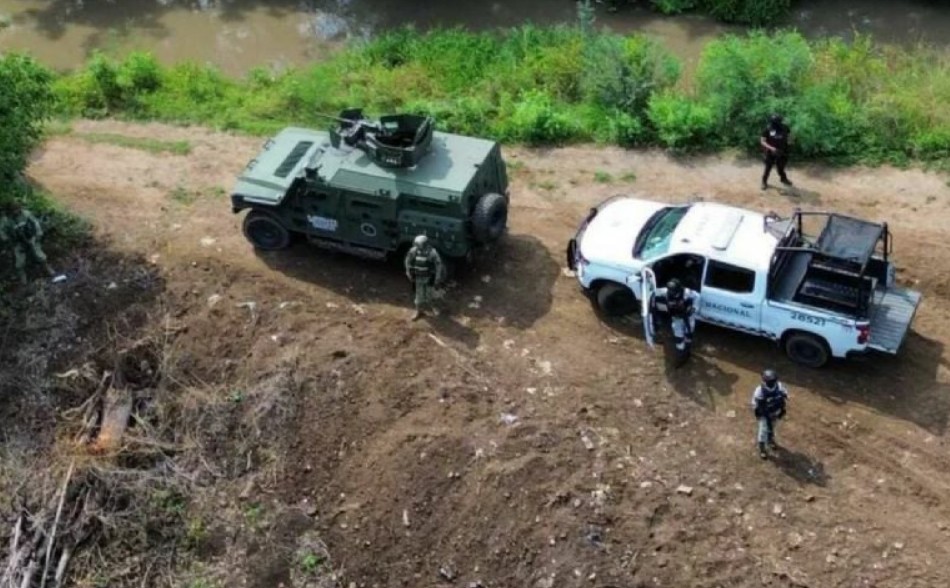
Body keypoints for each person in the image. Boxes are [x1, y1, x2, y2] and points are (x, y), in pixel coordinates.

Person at [0, 200, 55, 285]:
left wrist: (37, 236)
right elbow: (2, 232)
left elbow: (35, 224)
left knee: (40, 255)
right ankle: (23, 278)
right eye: (13, 210)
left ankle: (48, 269)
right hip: (18, 242)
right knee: (20, 262)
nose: (16, 212)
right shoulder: (6, 220)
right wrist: (7, 239)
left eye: (17, 209)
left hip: (31, 238)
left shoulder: (26, 214)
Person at [652, 278, 699, 363]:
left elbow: (697, 297)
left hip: (688, 316)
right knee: (678, 335)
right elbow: (653, 292)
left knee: (689, 333)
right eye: (671, 290)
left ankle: (688, 349)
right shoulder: (665, 292)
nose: (672, 292)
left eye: (673, 290)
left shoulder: (687, 293)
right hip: (676, 317)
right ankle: (681, 353)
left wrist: (693, 308)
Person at [404, 234, 445, 321]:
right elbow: (408, 260)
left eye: (419, 244)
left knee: (430, 295)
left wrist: (437, 277)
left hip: (429, 277)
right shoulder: (414, 251)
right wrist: (408, 272)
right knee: (418, 297)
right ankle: (419, 312)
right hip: (418, 277)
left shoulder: (432, 252)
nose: (417, 246)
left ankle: (434, 308)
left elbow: (438, 265)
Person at [751, 369, 789, 459]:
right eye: (770, 381)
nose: (772, 382)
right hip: (765, 414)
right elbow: (756, 405)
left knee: (773, 427)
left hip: (775, 411)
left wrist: (781, 406)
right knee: (763, 431)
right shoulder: (759, 391)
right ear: (765, 381)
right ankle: (762, 449)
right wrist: (761, 414)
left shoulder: (779, 386)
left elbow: (785, 395)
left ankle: (770, 440)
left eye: (773, 380)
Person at [760, 114, 793, 191]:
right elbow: (762, 141)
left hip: (782, 151)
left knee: (781, 167)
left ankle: (783, 179)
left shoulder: (785, 127)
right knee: (768, 168)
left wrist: (789, 144)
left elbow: (790, 136)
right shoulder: (767, 129)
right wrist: (771, 148)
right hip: (770, 152)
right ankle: (764, 182)